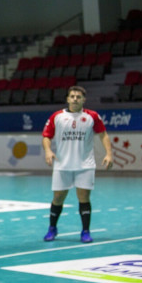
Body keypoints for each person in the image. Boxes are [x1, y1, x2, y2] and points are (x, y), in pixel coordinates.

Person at [42, 85, 113, 243]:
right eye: (72, 96)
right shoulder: (57, 116)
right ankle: (52, 228)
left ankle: (85, 231)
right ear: (67, 99)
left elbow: (103, 135)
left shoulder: (92, 116)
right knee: (58, 197)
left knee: (84, 197)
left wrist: (109, 153)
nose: (75, 99)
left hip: (85, 165)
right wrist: (48, 151)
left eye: (78, 97)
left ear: (83, 100)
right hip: (62, 165)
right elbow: (46, 136)